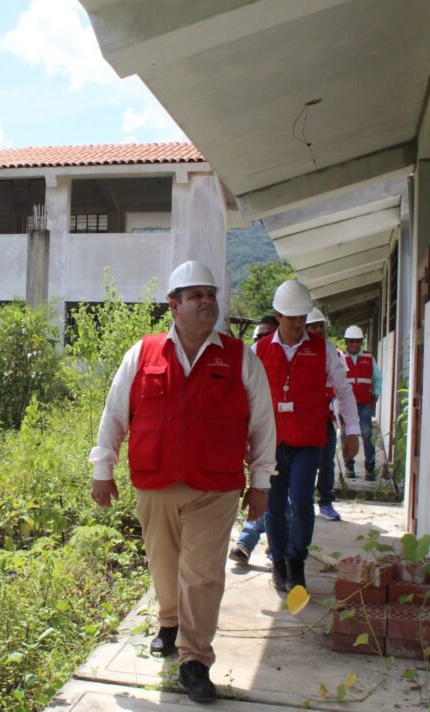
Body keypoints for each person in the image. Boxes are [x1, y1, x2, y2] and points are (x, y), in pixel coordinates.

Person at [89, 260, 276, 704]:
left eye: (210, 295)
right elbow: (115, 412)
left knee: (203, 573)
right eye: (196, 296)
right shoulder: (143, 352)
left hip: (216, 486)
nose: (207, 302)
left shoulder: (239, 357)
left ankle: (195, 660)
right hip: (155, 482)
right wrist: (103, 469)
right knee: (163, 563)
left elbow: (263, 424)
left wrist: (262, 481)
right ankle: (168, 621)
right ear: (173, 305)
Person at [256, 280, 358, 593]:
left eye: (302, 317)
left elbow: (343, 390)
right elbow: (242, 395)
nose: (299, 323)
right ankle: (278, 564)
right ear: (278, 315)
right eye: (292, 318)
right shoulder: (257, 351)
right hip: (272, 442)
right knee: (274, 507)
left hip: (309, 440)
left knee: (301, 502)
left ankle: (296, 563)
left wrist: (352, 431)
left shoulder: (324, 351)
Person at [305, 309, 342, 521]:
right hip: (305, 418)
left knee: (327, 460)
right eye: (314, 326)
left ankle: (326, 502)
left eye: (321, 326)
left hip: (326, 417)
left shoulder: (334, 353)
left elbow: (341, 386)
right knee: (305, 461)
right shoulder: (298, 352)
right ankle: (302, 500)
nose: (319, 330)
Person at [341, 325, 382, 480]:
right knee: (346, 434)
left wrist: (376, 395)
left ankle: (370, 467)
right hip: (346, 405)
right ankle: (349, 466)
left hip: (364, 404)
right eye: (351, 341)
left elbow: (378, 378)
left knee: (367, 434)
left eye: (358, 342)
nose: (355, 345)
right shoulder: (340, 357)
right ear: (346, 342)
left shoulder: (368, 358)